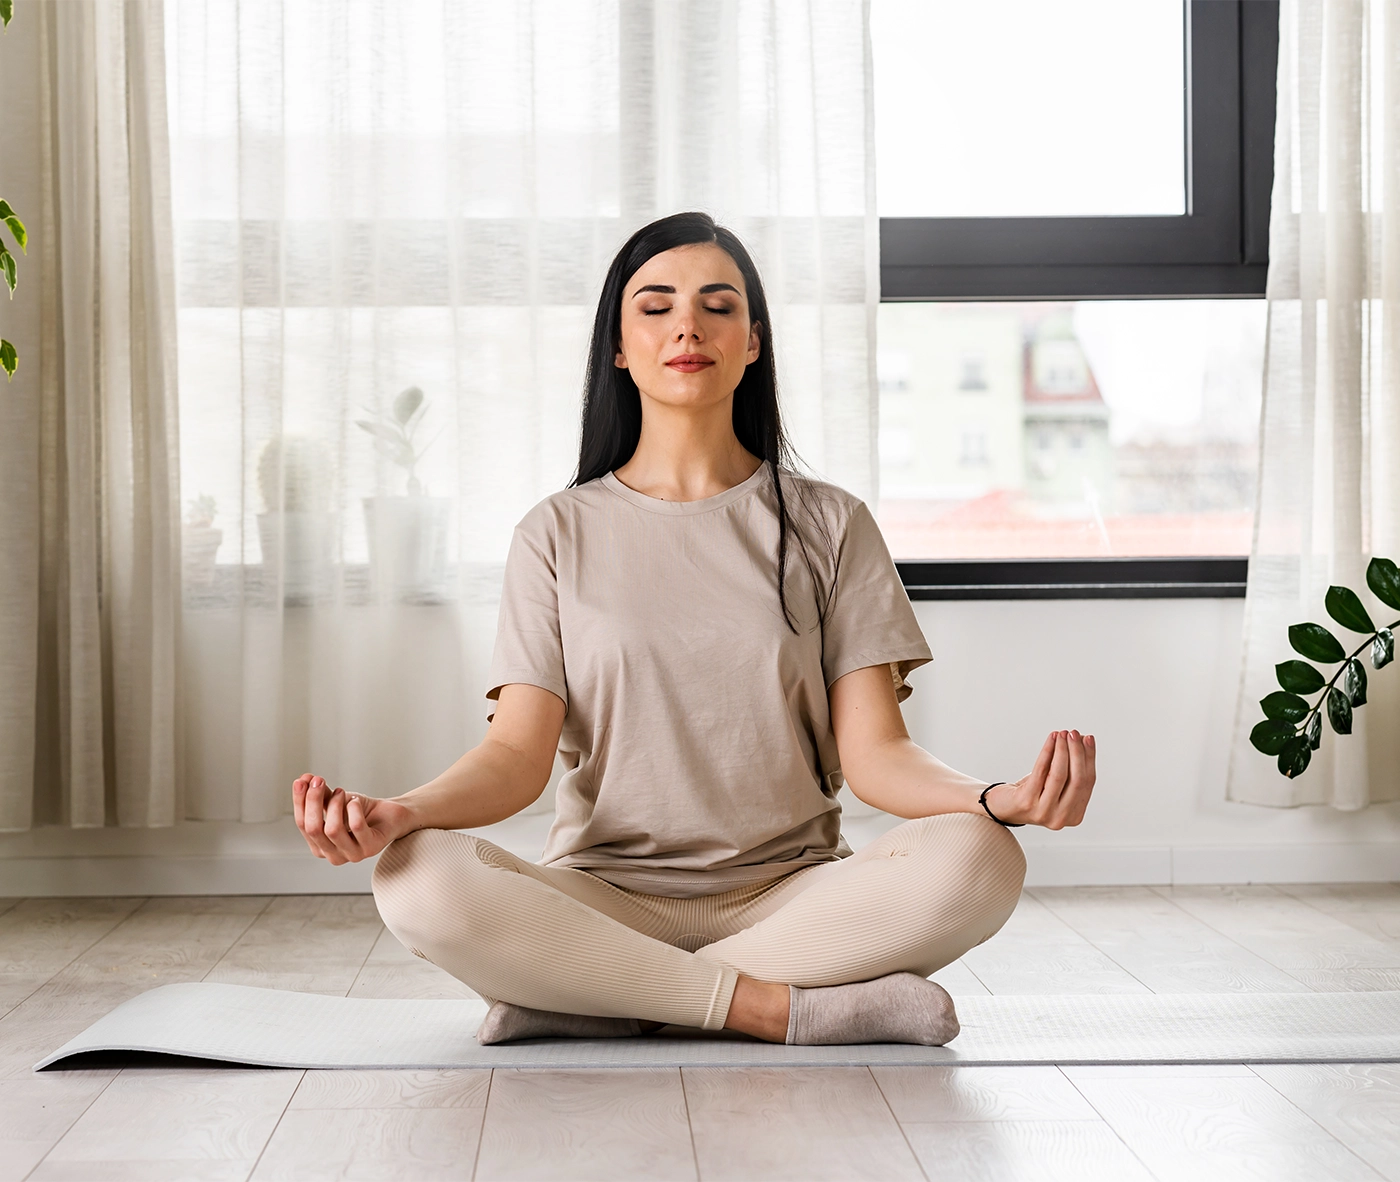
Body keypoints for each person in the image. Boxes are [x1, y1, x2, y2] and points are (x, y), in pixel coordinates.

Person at [291, 211, 1096, 1047]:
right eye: (655, 305)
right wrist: (398, 813)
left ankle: (591, 996)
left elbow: (876, 758)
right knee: (417, 876)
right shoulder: (555, 532)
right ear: (618, 345)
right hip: (604, 896)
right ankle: (780, 1009)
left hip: (793, 895)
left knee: (984, 857)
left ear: (753, 341)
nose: (687, 325)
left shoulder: (830, 524)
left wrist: (995, 800)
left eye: (718, 305)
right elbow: (513, 758)